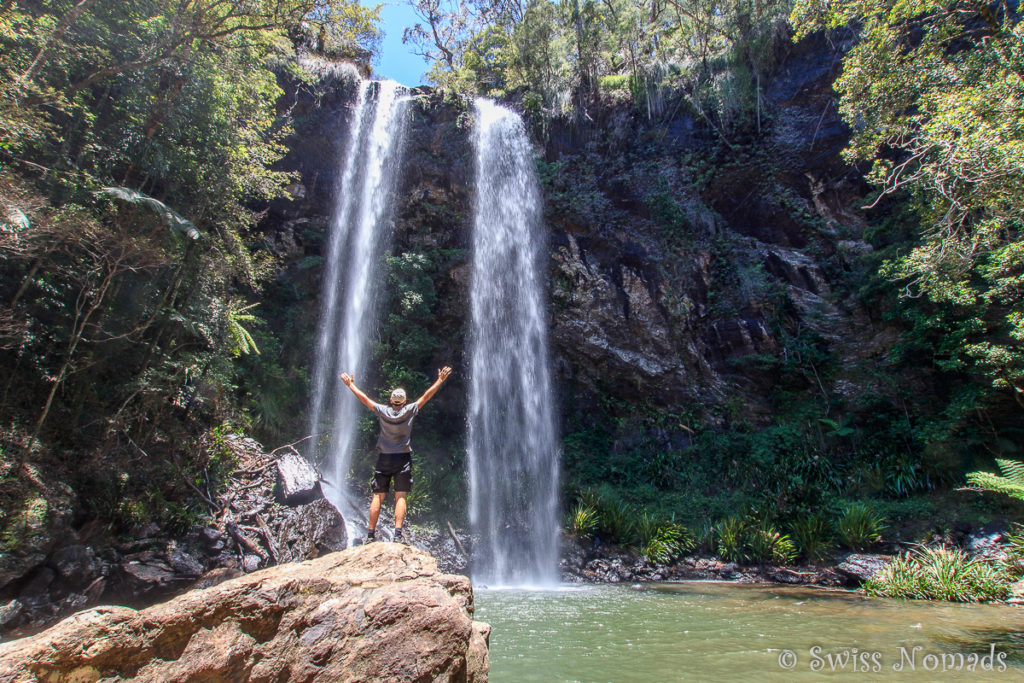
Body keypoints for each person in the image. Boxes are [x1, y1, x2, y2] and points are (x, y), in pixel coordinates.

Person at [340, 366, 452, 542]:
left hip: (384, 457)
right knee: (401, 495)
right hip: (402, 458)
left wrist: (350, 385)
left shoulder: (382, 411)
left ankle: (370, 535)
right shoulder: (409, 411)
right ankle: (397, 534)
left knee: (378, 495)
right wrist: (440, 380)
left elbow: (364, 399)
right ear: (404, 401)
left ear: (391, 401)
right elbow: (426, 396)